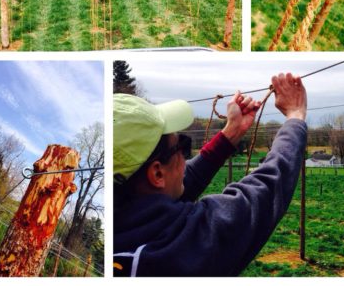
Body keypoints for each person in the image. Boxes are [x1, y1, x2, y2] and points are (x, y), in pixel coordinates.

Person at [113, 73, 307, 277]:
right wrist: (295, 117)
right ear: (158, 173)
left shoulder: (124, 217)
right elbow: (265, 191)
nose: (185, 157)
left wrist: (232, 132)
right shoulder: (174, 251)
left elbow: (182, 181)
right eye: (182, 146)